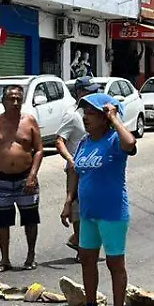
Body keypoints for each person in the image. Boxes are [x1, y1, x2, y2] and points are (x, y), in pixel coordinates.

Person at [63, 93, 138, 306]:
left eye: (92, 115)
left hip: (112, 213)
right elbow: (76, 171)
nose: (86, 118)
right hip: (88, 213)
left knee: (115, 263)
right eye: (85, 114)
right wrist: (68, 201)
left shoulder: (114, 139)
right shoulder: (85, 142)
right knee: (87, 259)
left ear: (105, 118)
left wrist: (115, 119)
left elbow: (131, 144)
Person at [0, 85, 43, 272]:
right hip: (1, 178)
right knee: (2, 220)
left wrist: (33, 175)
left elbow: (39, 150)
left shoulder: (29, 121)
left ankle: (31, 256)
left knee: (30, 219)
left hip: (26, 178)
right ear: (3, 101)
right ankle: (4, 258)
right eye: (11, 99)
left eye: (18, 99)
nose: (15, 102)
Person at [56, 77, 102, 257]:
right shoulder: (73, 115)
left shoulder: (95, 114)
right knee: (77, 208)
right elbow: (59, 141)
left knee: (93, 207)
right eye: (90, 91)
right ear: (80, 93)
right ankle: (80, 243)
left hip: (94, 167)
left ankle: (83, 242)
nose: (95, 94)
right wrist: (71, 160)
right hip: (76, 170)